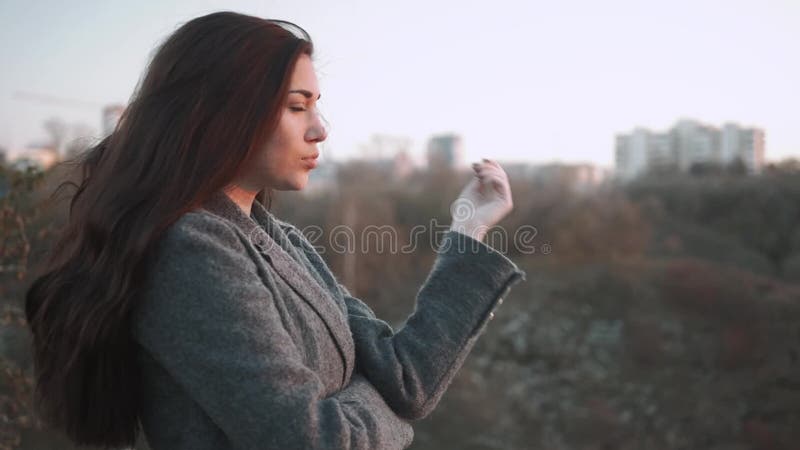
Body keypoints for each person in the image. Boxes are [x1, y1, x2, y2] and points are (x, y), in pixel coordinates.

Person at [24, 11, 526, 450]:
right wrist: (385, 413)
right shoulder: (190, 253)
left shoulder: (282, 243)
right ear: (222, 113)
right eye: (296, 106)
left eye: (316, 104)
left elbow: (407, 378)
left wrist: (469, 229)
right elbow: (318, 441)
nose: (320, 128)